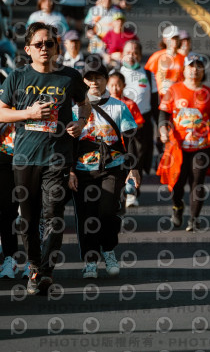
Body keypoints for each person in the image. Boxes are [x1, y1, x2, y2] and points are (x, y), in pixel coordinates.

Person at [0, 22, 90, 295]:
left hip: (57, 158)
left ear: (56, 48)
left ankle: (45, 271)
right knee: (28, 219)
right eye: (38, 44)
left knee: (54, 215)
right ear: (28, 49)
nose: (44, 48)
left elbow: (84, 104)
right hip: (25, 158)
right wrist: (28, 114)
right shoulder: (17, 77)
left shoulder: (69, 76)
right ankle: (33, 264)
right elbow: (1, 112)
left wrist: (81, 123)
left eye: (49, 43)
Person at [69, 62, 139, 278]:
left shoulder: (119, 107)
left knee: (107, 212)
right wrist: (70, 171)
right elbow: (68, 144)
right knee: (87, 216)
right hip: (82, 170)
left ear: (106, 80)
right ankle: (90, 261)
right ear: (83, 82)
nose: (94, 82)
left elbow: (130, 139)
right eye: (89, 78)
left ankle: (108, 250)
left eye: (98, 77)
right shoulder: (73, 109)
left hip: (112, 168)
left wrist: (134, 168)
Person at [157, 53, 210, 232]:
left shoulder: (209, 93)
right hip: (178, 146)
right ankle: (177, 206)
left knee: (197, 181)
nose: (195, 70)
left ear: (203, 71)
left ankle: (194, 219)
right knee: (177, 183)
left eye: (199, 66)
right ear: (184, 69)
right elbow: (164, 114)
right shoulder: (174, 90)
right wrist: (163, 130)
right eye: (191, 66)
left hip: (202, 145)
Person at [118, 40, 158, 205]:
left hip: (143, 124)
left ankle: (133, 190)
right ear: (122, 55)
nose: (131, 56)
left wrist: (161, 126)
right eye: (128, 52)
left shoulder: (148, 75)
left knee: (139, 158)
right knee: (121, 157)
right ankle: (121, 190)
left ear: (140, 55)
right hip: (120, 124)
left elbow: (155, 102)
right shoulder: (115, 74)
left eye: (135, 52)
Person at [0, 69, 19, 279]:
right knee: (7, 212)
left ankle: (35, 264)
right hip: (4, 160)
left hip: (32, 160)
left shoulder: (33, 98)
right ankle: (10, 259)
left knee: (34, 214)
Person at [145, 25, 185, 100]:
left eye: (177, 38)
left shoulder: (183, 58)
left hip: (177, 96)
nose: (175, 41)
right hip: (159, 96)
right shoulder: (157, 56)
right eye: (172, 38)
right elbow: (147, 74)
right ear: (165, 40)